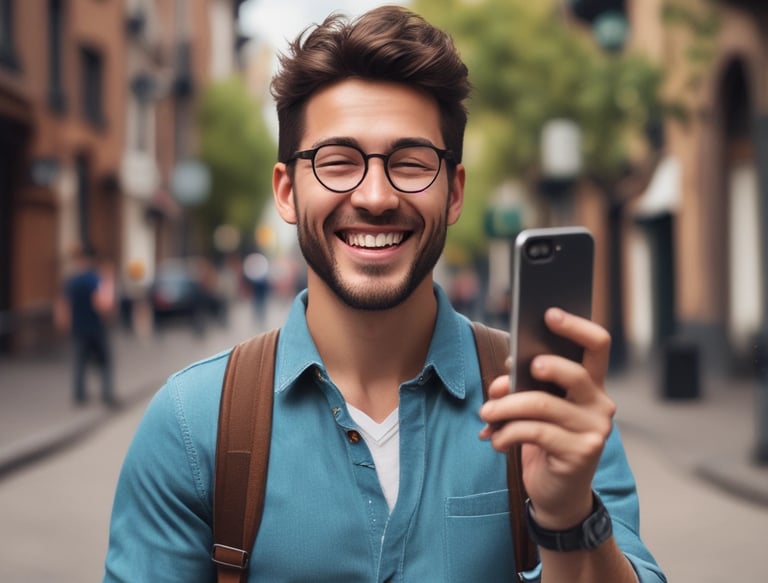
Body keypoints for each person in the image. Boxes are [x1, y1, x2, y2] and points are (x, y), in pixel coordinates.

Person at [103, 6, 666, 582]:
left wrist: (568, 515)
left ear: (453, 192)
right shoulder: (192, 424)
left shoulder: (551, 406)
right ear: (286, 191)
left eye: (410, 162)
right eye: (338, 163)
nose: (375, 195)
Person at [55, 245, 116, 407]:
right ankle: (107, 393)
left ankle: (79, 395)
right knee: (104, 361)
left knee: (79, 362)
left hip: (78, 328)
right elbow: (101, 304)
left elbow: (63, 305)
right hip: (96, 327)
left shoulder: (72, 281)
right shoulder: (95, 280)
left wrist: (65, 324)